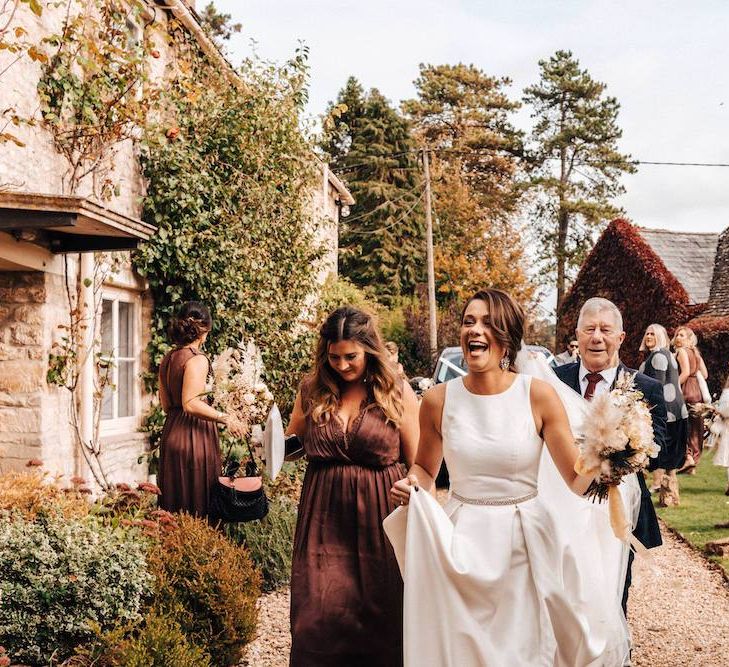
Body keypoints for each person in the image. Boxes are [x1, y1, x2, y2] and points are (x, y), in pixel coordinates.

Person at [388, 289, 634, 666]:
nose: (475, 330)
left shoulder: (538, 396)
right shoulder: (438, 400)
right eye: (469, 322)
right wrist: (413, 484)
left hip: (525, 542)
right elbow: (424, 469)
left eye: (487, 323)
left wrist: (614, 457)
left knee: (523, 650)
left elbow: (574, 477)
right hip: (462, 541)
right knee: (462, 648)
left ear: (506, 338)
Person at [286, 306, 420, 666]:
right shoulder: (312, 389)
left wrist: (414, 489)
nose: (342, 366)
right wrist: (265, 444)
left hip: (380, 518)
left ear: (369, 350)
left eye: (351, 357)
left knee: (380, 615)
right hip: (323, 518)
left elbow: (419, 462)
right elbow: (291, 447)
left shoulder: (395, 391)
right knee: (316, 615)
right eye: (334, 357)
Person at [554, 297, 667, 615]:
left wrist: (625, 449)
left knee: (613, 596)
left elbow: (659, 451)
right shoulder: (552, 382)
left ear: (620, 337)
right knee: (561, 593)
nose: (597, 337)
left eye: (605, 329)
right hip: (562, 504)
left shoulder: (645, 387)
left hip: (619, 511)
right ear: (577, 335)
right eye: (589, 328)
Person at [157, 301, 245, 520]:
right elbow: (191, 403)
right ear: (204, 329)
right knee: (198, 503)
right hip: (194, 437)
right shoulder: (197, 359)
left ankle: (174, 549)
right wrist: (225, 418)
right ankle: (199, 549)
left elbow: (167, 405)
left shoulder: (168, 359)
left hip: (172, 434)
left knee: (174, 505)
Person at [639, 323, 688, 506]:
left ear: (660, 336)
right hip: (677, 411)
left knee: (663, 455)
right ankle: (669, 496)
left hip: (668, 413)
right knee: (670, 460)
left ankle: (666, 494)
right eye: (647, 333)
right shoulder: (666, 354)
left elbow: (656, 386)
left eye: (652, 333)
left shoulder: (658, 356)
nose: (648, 336)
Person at [672, 326, 709, 473]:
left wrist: (672, 386)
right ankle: (692, 464)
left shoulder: (681, 351)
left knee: (683, 428)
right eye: (677, 335)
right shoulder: (696, 353)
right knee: (695, 430)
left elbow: (685, 372)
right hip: (697, 392)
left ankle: (688, 459)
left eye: (682, 335)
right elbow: (705, 375)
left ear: (688, 338)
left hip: (685, 390)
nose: (678, 338)